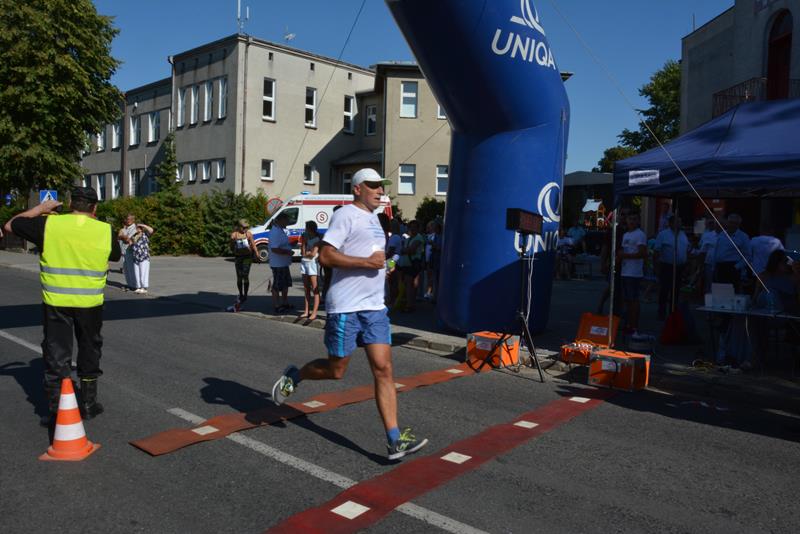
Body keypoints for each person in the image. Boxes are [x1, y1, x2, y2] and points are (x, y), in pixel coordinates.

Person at [270, 167, 428, 461]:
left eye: (381, 186)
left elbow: (372, 257)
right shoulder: (346, 215)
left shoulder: (374, 219)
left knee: (384, 369)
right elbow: (326, 255)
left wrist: (383, 267)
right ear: (357, 189)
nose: (380, 191)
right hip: (346, 307)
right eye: (373, 186)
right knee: (336, 370)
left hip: (374, 308)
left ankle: (394, 439)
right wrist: (366, 264)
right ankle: (296, 375)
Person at [3, 187, 121, 426]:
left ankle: (57, 409)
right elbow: (116, 256)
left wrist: (40, 208)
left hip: (56, 302)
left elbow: (10, 225)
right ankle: (88, 404)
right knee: (89, 349)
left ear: (69, 204)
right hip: (89, 303)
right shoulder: (105, 230)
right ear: (95, 207)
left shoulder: (48, 225)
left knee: (57, 353)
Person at [653, 215, 689, 319]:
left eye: (680, 222)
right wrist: (656, 267)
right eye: (678, 222)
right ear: (671, 223)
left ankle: (673, 312)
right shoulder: (663, 234)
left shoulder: (683, 234)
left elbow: (686, 249)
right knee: (665, 289)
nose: (680, 224)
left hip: (679, 267)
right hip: (666, 266)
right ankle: (662, 311)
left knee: (676, 290)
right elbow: (656, 251)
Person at [618, 212, 647, 332]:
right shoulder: (625, 234)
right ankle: (629, 323)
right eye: (630, 219)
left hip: (634, 273)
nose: (632, 221)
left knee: (633, 299)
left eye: (634, 219)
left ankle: (634, 326)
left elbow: (642, 253)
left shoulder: (640, 234)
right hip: (625, 271)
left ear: (638, 221)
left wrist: (625, 255)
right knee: (627, 300)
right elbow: (622, 251)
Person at [713, 213, 751, 292]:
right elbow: (717, 250)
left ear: (738, 224)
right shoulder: (722, 234)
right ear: (727, 223)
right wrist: (714, 265)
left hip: (733, 267)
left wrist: (736, 267)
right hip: (719, 267)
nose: (732, 225)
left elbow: (748, 256)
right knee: (719, 292)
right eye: (730, 222)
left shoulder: (743, 237)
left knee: (732, 293)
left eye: (734, 223)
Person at [397, 220, 426, 312]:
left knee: (410, 284)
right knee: (409, 284)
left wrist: (404, 250)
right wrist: (405, 250)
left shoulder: (418, 238)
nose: (412, 229)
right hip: (407, 264)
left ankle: (410, 305)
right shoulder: (409, 238)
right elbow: (405, 249)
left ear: (418, 228)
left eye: (414, 227)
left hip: (413, 264)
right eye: (411, 227)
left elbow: (411, 250)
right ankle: (409, 303)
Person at [268, 211, 294, 313]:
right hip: (278, 264)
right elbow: (274, 248)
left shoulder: (280, 230)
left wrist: (290, 245)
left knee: (285, 284)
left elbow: (281, 244)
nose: (288, 222)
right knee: (277, 285)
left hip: (283, 263)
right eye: (287, 220)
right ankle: (276, 305)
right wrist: (288, 252)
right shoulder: (275, 232)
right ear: (281, 220)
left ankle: (285, 303)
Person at [230, 219, 256, 306]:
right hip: (238, 257)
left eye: (247, 227)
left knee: (245, 275)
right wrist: (232, 241)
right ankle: (241, 293)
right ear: (239, 227)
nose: (245, 229)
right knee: (239, 276)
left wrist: (257, 254)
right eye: (244, 227)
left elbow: (253, 244)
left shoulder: (248, 234)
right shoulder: (234, 235)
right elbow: (231, 248)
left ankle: (245, 294)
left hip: (247, 257)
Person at [299, 220, 321, 320]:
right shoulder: (306, 237)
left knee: (315, 288)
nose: (305, 230)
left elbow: (313, 254)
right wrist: (303, 243)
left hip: (313, 264)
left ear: (309, 228)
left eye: (306, 228)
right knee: (306, 288)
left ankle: (314, 312)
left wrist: (308, 253)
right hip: (304, 263)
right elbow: (303, 253)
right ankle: (306, 311)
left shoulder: (318, 238)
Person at [127, 220, 153, 294]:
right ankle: (138, 287)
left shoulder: (145, 234)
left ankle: (144, 287)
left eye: (138, 228)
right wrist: (130, 242)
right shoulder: (134, 235)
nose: (137, 229)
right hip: (136, 256)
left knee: (143, 272)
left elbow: (151, 230)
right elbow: (130, 243)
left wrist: (143, 225)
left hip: (144, 256)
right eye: (136, 228)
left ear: (141, 228)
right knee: (137, 273)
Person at [698, 217, 719, 295]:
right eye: (709, 223)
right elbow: (702, 249)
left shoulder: (724, 235)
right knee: (708, 283)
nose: (711, 225)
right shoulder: (706, 234)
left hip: (720, 264)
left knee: (719, 283)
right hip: (709, 263)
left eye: (712, 223)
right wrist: (701, 265)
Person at [119, 214, 138, 291]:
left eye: (130, 219)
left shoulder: (134, 228)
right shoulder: (126, 228)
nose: (128, 220)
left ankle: (134, 285)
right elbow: (119, 236)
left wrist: (123, 236)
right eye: (127, 219)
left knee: (131, 269)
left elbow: (128, 239)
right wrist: (123, 236)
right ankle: (129, 284)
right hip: (124, 250)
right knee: (126, 269)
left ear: (133, 220)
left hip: (130, 251)